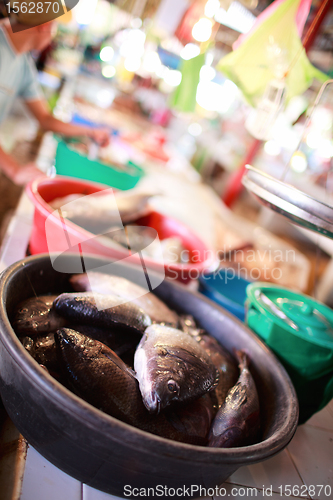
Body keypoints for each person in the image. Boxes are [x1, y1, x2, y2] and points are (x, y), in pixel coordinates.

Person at [0, 3, 110, 185]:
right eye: (54, 26)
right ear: (44, 25)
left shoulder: (23, 64)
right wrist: (14, 169)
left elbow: (44, 118)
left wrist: (90, 132)